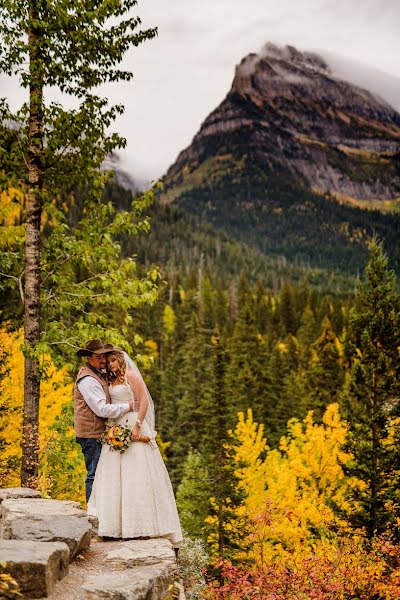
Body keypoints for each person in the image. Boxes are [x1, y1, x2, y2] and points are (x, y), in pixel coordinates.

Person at [87, 349, 182, 546]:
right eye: (108, 361)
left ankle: (141, 527)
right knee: (112, 476)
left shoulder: (131, 375)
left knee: (136, 474)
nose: (110, 364)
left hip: (132, 425)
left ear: (121, 360)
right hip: (115, 428)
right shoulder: (111, 380)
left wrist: (138, 424)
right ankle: (112, 527)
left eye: (113, 360)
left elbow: (144, 399)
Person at [74, 339, 135, 503]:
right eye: (98, 357)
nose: (102, 361)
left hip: (98, 433)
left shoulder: (98, 374)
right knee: (94, 474)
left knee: (102, 474)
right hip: (91, 434)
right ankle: (92, 514)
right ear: (89, 358)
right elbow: (102, 409)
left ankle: (100, 512)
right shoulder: (88, 379)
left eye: (104, 357)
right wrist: (128, 406)